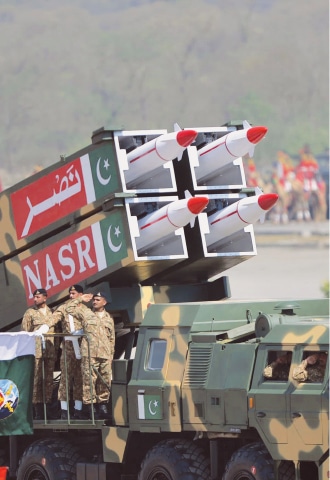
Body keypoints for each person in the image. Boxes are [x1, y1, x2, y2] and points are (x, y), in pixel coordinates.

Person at [65, 291, 115, 420]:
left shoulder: (109, 318)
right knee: (89, 381)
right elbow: (69, 308)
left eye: (98, 300)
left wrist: (111, 355)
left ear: (105, 302)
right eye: (94, 300)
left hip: (104, 354)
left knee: (104, 381)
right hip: (89, 353)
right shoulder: (86, 313)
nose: (95, 302)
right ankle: (90, 407)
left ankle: (102, 406)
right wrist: (80, 299)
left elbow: (112, 339)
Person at [21, 288, 57, 420]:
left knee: (48, 381)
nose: (35, 299)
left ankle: (48, 408)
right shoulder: (30, 313)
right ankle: (37, 410)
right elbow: (25, 333)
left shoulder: (52, 312)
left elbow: (56, 333)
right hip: (35, 352)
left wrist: (56, 349)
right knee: (36, 380)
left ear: (45, 298)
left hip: (49, 351)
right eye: (34, 297)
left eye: (37, 297)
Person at [53, 284, 85, 420]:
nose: (71, 296)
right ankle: (64, 410)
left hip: (81, 346)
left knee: (80, 378)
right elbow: (54, 318)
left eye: (74, 294)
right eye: (70, 294)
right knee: (65, 378)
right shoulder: (64, 308)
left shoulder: (84, 310)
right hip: (67, 347)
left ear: (81, 295)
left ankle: (78, 410)